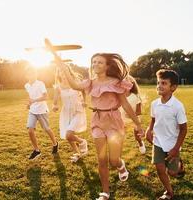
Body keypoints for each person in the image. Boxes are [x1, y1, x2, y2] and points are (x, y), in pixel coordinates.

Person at [57, 53, 143, 200]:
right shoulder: (90, 82)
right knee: (101, 159)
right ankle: (105, 193)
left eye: (100, 62)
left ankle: (120, 166)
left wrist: (138, 124)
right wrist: (63, 67)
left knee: (113, 160)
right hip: (97, 122)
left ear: (107, 66)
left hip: (114, 123)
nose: (95, 65)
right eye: (94, 62)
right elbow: (74, 85)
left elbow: (125, 104)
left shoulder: (115, 82)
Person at [145, 69, 187, 200]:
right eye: (158, 83)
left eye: (163, 83)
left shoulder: (177, 106)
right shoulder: (154, 104)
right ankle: (168, 192)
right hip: (157, 142)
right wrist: (149, 129)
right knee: (160, 169)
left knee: (172, 172)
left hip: (172, 144)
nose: (159, 86)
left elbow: (184, 129)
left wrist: (175, 149)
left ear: (173, 87)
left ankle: (179, 166)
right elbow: (153, 119)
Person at [52, 67, 88, 162]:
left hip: (77, 111)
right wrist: (54, 106)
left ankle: (82, 142)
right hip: (66, 113)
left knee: (68, 135)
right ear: (58, 74)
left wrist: (84, 101)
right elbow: (55, 101)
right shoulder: (58, 87)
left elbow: (83, 91)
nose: (63, 74)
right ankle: (78, 154)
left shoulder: (75, 82)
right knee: (69, 137)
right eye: (61, 72)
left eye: (65, 71)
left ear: (68, 72)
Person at [24, 67, 58, 160]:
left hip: (42, 110)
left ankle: (55, 143)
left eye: (34, 73)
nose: (32, 75)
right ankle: (36, 150)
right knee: (30, 130)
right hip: (32, 111)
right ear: (27, 75)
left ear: (36, 74)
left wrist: (34, 100)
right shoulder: (26, 85)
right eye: (30, 74)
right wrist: (29, 104)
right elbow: (30, 97)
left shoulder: (40, 84)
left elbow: (46, 96)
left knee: (47, 129)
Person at [120, 75, 146, 154]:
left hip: (134, 119)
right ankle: (118, 150)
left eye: (128, 82)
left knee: (137, 136)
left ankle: (140, 143)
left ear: (132, 84)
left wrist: (131, 115)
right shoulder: (120, 96)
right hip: (123, 119)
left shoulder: (135, 96)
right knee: (120, 135)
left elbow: (139, 111)